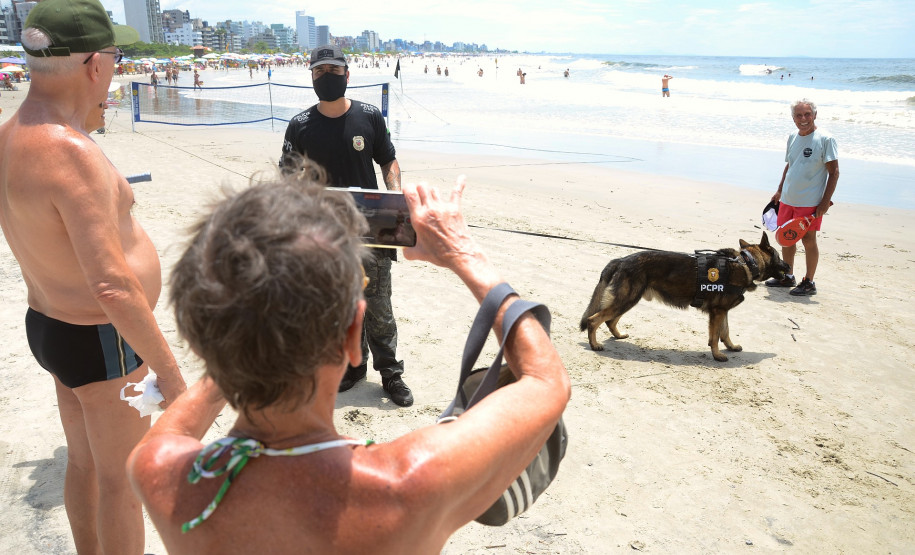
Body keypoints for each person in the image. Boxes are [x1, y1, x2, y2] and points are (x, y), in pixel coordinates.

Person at [126, 170, 571, 554]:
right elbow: (545, 380)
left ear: (202, 342)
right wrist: (462, 254)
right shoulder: (407, 483)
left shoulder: (161, 472)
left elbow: (181, 424)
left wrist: (238, 335)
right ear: (354, 336)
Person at [0, 0, 187, 552]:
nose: (116, 66)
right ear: (92, 64)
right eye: (114, 55)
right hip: (102, 336)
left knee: (84, 465)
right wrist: (170, 376)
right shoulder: (69, 151)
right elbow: (111, 285)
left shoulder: (11, 134)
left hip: (51, 324)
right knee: (123, 481)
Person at [278, 45, 412, 407]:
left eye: (333, 71)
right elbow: (288, 176)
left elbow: (388, 161)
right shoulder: (301, 125)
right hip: (326, 233)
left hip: (373, 229)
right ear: (311, 78)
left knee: (378, 305)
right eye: (319, 72)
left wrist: (395, 198)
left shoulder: (368, 117)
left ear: (347, 75)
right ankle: (354, 367)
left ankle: (391, 374)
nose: (326, 77)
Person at [765, 99, 839, 296]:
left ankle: (809, 282)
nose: (803, 119)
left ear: (815, 115)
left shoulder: (825, 139)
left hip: (810, 202)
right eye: (799, 115)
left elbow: (834, 172)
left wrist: (824, 202)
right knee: (787, 239)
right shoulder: (792, 137)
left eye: (807, 114)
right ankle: (788, 276)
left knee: (808, 240)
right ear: (793, 118)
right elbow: (790, 164)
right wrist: (780, 190)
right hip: (788, 199)